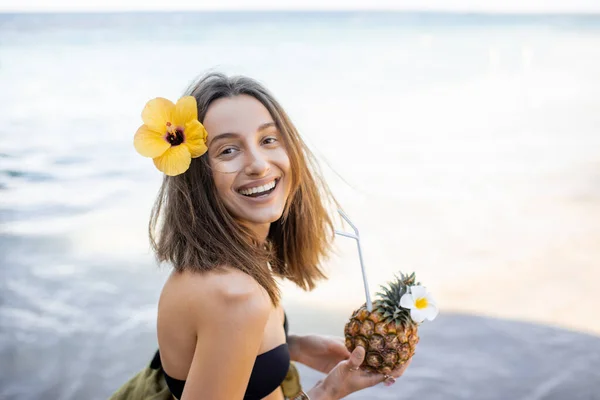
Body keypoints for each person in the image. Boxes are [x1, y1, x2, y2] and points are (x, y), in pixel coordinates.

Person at [112, 72, 411, 400]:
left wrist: (292, 347)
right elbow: (231, 316)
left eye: (268, 139)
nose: (258, 164)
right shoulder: (235, 299)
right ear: (198, 174)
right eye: (227, 150)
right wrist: (329, 390)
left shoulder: (232, 259)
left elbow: (207, 352)